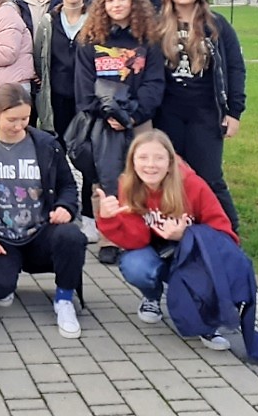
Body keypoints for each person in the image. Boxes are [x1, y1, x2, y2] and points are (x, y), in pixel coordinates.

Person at [95, 129, 238, 350]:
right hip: (157, 252)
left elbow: (226, 236)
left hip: (194, 255)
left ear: (170, 162)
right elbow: (136, 241)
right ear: (132, 162)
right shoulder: (128, 185)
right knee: (135, 265)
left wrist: (186, 236)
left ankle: (206, 318)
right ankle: (151, 297)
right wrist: (107, 219)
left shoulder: (193, 185)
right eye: (142, 158)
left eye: (158, 158)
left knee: (206, 276)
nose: (150, 165)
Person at [0, 84, 87, 339]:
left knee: (71, 236)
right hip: (2, 239)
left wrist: (65, 208)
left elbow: (68, 185)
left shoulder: (46, 145)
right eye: (12, 119)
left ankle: (64, 299)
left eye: (25, 118)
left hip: (41, 232)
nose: (19, 126)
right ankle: (5, 281)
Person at [75, 0, 164, 264]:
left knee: (144, 176)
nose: (116, 5)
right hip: (103, 122)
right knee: (104, 179)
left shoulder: (148, 41)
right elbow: (84, 86)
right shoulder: (90, 40)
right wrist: (108, 115)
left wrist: (133, 115)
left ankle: (142, 233)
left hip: (138, 119)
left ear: (133, 3)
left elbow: (154, 83)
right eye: (110, 0)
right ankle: (108, 237)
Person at [155, 0, 245, 232]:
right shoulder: (158, 24)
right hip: (167, 112)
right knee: (170, 176)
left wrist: (235, 112)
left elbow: (236, 68)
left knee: (209, 176)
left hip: (205, 112)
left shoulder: (216, 25)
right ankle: (177, 231)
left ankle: (229, 231)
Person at [34, 0, 93, 240]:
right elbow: (39, 57)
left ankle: (90, 215)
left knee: (87, 157)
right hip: (56, 99)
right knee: (57, 156)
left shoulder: (94, 21)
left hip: (86, 100)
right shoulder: (49, 22)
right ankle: (60, 209)